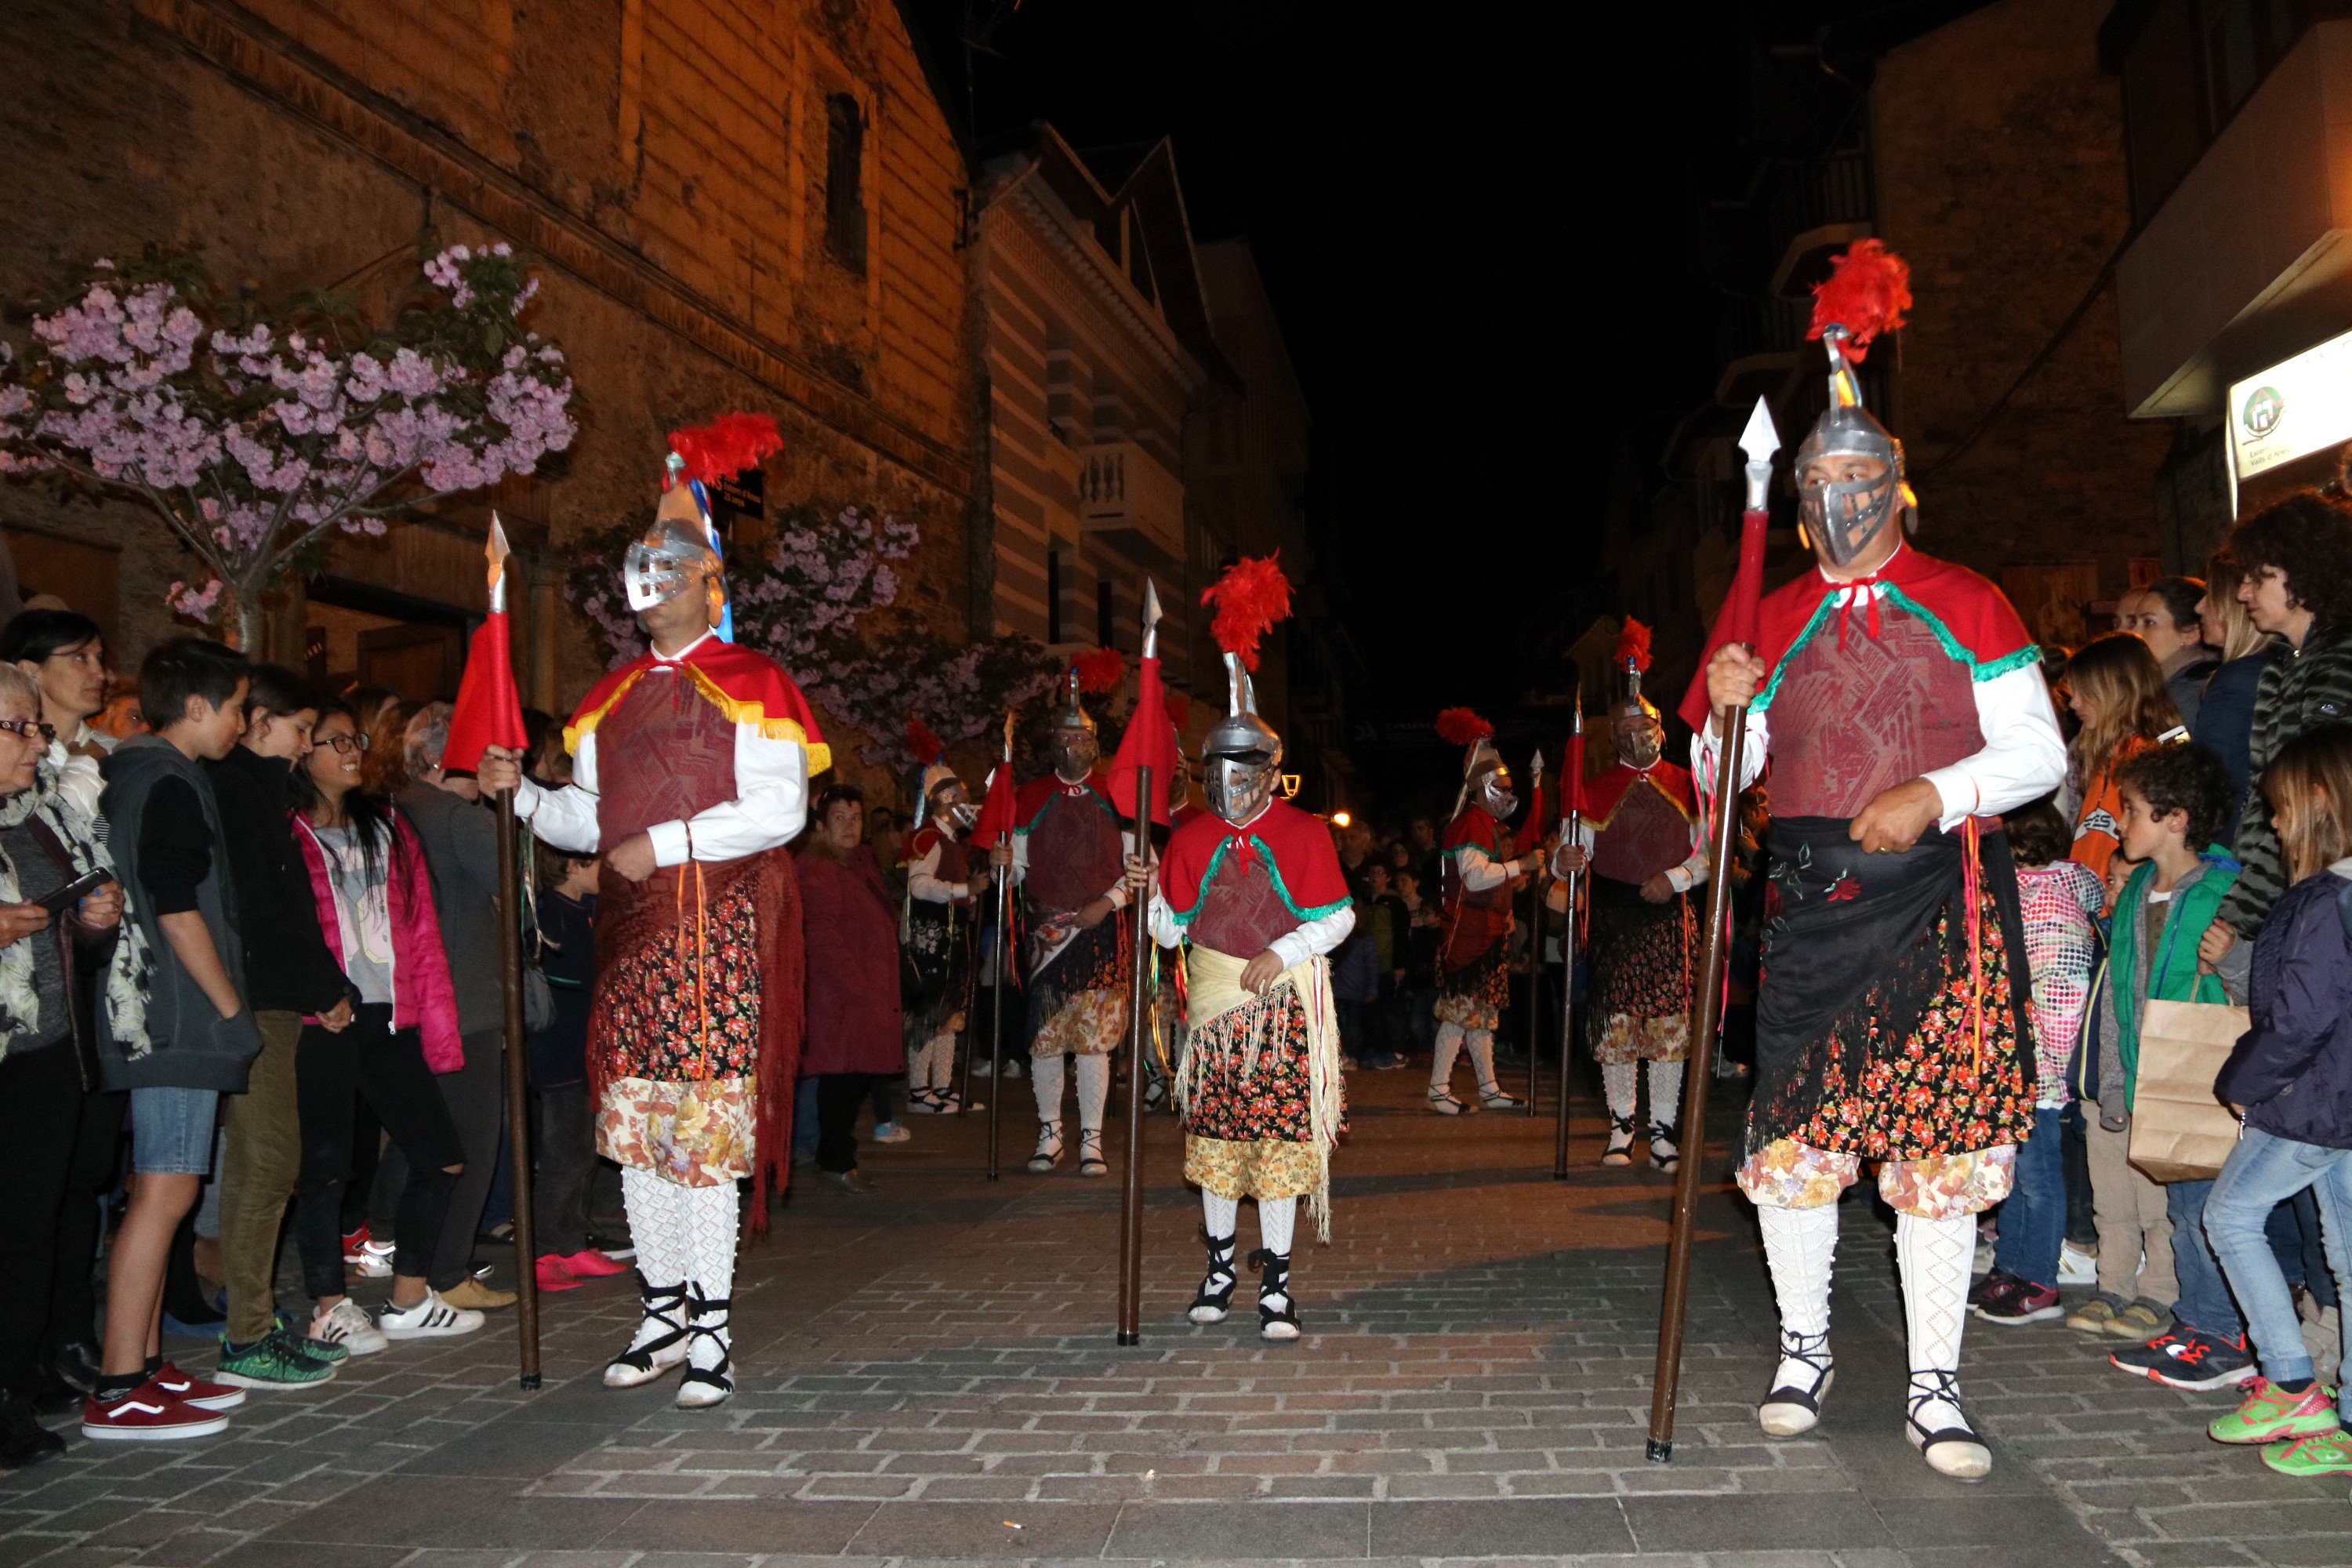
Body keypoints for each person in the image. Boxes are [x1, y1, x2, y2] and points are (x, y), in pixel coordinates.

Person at [1689, 248, 2067, 1479]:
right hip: (1808, 906)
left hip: (1940, 906)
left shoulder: (1971, 599)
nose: (1843, 497)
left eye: (1862, 476)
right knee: (1798, 1143)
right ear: (1797, 503)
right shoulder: (1772, 617)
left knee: (1939, 1147)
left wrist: (1937, 792)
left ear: (1901, 491)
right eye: (1822, 480)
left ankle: (1936, 1377)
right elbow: (1719, 783)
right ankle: (1805, 1346)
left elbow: (2038, 753)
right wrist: (1723, 711)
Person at [481, 422, 820, 1410]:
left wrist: (664, 844)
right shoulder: (610, 695)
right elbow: (591, 815)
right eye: (644, 570)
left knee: (700, 1133)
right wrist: (529, 801)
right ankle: (662, 1305)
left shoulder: (757, 683)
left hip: (713, 932)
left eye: (673, 570)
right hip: (630, 934)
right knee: (636, 1128)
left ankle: (712, 1321)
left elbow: (778, 809)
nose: (655, 584)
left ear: (710, 581)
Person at [1151, 583, 1352, 1341]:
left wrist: (1284, 948)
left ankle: (1276, 1282)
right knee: (1215, 1144)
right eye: (1218, 777)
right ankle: (1218, 1267)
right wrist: (1150, 898)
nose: (1228, 791)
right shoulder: (1191, 836)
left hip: (1281, 1011)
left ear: (1268, 772)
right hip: (1212, 1014)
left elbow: (1338, 916)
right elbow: (1171, 934)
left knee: (1273, 1144)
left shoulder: (1301, 832)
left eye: (1242, 776)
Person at [89, 638, 269, 1441]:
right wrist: (230, 1007)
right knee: (163, 1192)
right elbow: (175, 905)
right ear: (195, 705)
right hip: (175, 1019)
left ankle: (148, 1365)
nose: (241, 721)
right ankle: (121, 1378)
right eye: (235, 705)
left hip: (165, 1014)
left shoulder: (145, 774)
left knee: (169, 1190)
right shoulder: (163, 781)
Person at [287, 701, 482, 1352]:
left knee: (442, 1155)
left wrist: (433, 1016)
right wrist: (314, 992)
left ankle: (409, 1297)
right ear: (302, 751)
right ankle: (331, 1306)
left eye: (356, 738)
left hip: (387, 1014)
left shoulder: (389, 825)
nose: (350, 750)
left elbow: (421, 926)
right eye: (333, 740)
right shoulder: (284, 828)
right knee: (327, 1168)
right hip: (323, 1016)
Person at [2198, 724, 2352, 1479]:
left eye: (2283, 808)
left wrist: (2241, 1084)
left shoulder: (2329, 898)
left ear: (2321, 799)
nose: (2276, 824)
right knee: (2349, 1261)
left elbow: (2301, 1016)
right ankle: (2344, 1423)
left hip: (2315, 1100)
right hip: (2337, 1103)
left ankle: (2292, 1384)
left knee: (2229, 1215)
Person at [2077, 742, 2250, 1384]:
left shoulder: (2225, 889)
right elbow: (2117, 998)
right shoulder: (2137, 890)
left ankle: (2220, 1333)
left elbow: (2262, 988)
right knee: (2181, 1208)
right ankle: (2199, 1325)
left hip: (2207, 1079)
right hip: (2150, 1071)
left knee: (2205, 1209)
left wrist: (2231, 958)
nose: (2121, 823)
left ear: (2176, 818)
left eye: (2134, 810)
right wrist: (2116, 1084)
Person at [0, 663, 137, 1466]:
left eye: (37, 728)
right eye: (19, 727)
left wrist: (94, 920)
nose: (38, 742)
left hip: (46, 1051)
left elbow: (70, 944)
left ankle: (16, 1384)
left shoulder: (38, 816)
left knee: (31, 1229)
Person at [205, 665, 354, 1388]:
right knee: (266, 1165)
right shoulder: (236, 790)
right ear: (261, 721)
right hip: (254, 997)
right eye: (299, 730)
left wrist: (323, 984)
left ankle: (257, 1324)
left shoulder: (260, 791)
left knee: (269, 1165)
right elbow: (264, 909)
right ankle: (247, 1338)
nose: (305, 746)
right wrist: (320, 985)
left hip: (273, 996)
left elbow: (286, 903)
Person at [372, 702, 516, 1315]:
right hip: (465, 998)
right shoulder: (459, 818)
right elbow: (517, 886)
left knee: (417, 1137)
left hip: (403, 995)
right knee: (473, 1141)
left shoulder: (388, 808)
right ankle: (448, 1267)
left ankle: (393, 1240)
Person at [1552, 627, 1706, 1169]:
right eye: (1624, 727)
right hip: (1615, 917)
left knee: (1667, 1033)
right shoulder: (1592, 789)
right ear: (1613, 735)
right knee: (1617, 1028)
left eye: (1643, 725)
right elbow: (1571, 852)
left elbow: (1709, 855)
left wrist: (1677, 879)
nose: (1634, 733)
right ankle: (1622, 1127)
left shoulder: (1690, 784)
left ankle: (1663, 1131)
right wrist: (1562, 863)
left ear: (1660, 729)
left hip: (1667, 917)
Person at [1970, 799, 2103, 1327]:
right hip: (2022, 1064)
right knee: (2017, 1175)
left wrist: (2049, 1069)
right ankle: (2011, 1266)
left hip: (2037, 1073)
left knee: (2038, 1179)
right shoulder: (2045, 890)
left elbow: (2064, 990)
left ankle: (2040, 1279)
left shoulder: (2040, 900)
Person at [2207, 492, 2352, 959]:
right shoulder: (2281, 664)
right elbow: (2265, 802)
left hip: (2328, 906)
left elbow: (2314, 805)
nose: (2243, 593)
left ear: (2306, 574)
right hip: (2294, 899)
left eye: (2259, 577)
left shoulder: (2340, 661)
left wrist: (2243, 918)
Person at [1005, 673, 1134, 1178]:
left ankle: (1092, 1140)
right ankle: (1050, 1132)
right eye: (1063, 738)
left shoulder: (1116, 795)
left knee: (1094, 1040)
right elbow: (1016, 868)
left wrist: (1109, 901)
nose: (1071, 745)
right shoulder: (1031, 796)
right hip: (1046, 934)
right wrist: (1002, 864)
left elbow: (1139, 867)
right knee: (1046, 1038)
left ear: (1095, 745)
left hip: (1098, 932)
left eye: (1080, 737)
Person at [528, 841, 629, 1290]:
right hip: (560, 1056)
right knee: (563, 1157)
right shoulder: (552, 915)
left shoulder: (582, 910)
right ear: (573, 865)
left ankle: (571, 1241)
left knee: (583, 1153)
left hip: (584, 1056)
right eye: (597, 861)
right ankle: (545, 1251)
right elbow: (574, 980)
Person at [1429, 712, 1542, 1113]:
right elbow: (1475, 878)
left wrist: (1508, 904)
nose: (1509, 793)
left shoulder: (1486, 825)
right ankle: (1439, 1088)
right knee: (1461, 1016)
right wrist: (1521, 867)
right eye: (1502, 786)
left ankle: (1489, 1087)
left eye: (1511, 787)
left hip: (1488, 934)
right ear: (1481, 787)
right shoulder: (1472, 824)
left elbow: (1487, 880)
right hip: (1468, 936)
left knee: (1481, 1016)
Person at [797, 785, 903, 1193]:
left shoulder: (858, 862)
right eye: (839, 818)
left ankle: (835, 1156)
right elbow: (821, 933)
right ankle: (836, 1158)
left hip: (864, 992)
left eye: (856, 818)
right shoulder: (818, 869)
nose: (849, 826)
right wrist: (857, 984)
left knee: (852, 1077)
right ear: (821, 826)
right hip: (841, 996)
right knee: (843, 1078)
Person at [899, 745, 989, 1115]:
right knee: (930, 1014)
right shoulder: (930, 840)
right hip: (932, 939)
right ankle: (920, 1090)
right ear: (944, 801)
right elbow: (919, 885)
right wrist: (964, 890)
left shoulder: (950, 842)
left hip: (951, 939)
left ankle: (942, 1085)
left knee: (950, 1013)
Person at [2063, 633, 2185, 888]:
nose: (2074, 702)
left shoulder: (2157, 755)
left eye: (2084, 691)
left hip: (2123, 908)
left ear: (2118, 690)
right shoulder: (2106, 755)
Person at [2191, 553, 2279, 843]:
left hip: (2234, 847)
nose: (2199, 606)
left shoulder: (2236, 680)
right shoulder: (2274, 668)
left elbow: (2211, 778)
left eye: (2209, 595)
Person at [2, 608, 114, 822]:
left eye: (99, 658)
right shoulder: (9, 759)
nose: (100, 674)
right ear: (30, 671)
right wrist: (87, 767)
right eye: (80, 658)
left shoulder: (118, 751)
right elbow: (25, 835)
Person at [2122, 578, 2220, 730]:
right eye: (2134, 623)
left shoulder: (2190, 695)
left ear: (2190, 633)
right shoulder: (2168, 687)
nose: (2134, 633)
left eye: (2149, 623)